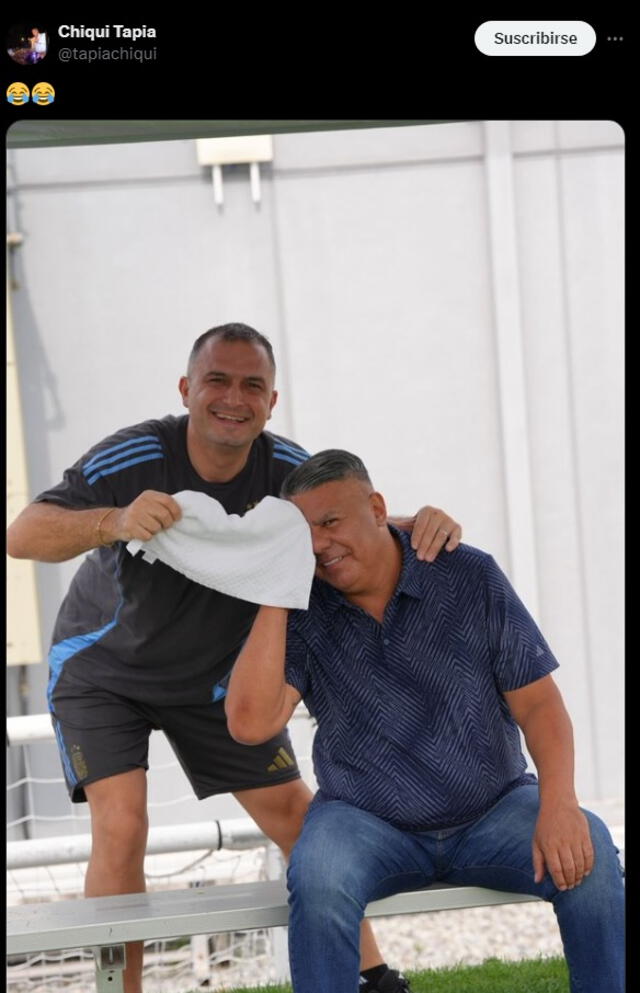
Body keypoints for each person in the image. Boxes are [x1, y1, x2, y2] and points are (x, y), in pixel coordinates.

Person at [6, 324, 462, 993]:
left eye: (252, 384)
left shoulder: (289, 470)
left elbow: (351, 520)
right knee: (123, 822)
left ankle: (372, 977)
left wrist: (421, 519)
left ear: (271, 401)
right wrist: (114, 520)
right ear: (188, 389)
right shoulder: (135, 454)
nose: (233, 396)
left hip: (215, 679)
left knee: (297, 814)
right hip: (105, 671)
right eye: (217, 379)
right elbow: (24, 533)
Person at [225, 448, 625, 993]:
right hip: (365, 822)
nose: (318, 544)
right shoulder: (301, 604)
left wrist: (560, 805)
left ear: (378, 508)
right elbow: (250, 725)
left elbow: (539, 704)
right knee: (317, 876)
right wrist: (277, 585)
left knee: (592, 854)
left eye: (330, 522)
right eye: (303, 534)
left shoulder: (468, 574)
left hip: (493, 810)